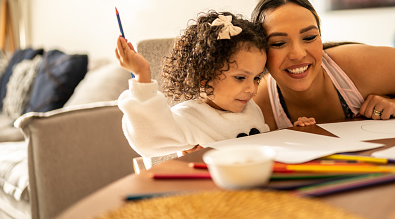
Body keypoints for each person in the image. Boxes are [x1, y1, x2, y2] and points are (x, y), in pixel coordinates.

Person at [115, 10, 312, 158]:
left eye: (256, 78)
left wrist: (294, 134)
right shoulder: (190, 117)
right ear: (204, 74)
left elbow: (263, 150)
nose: (252, 89)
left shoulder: (250, 109)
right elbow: (150, 137)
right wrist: (142, 76)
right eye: (240, 78)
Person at [251, 0, 395, 130]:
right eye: (278, 43)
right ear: (261, 50)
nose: (298, 54)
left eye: (309, 38)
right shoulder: (258, 102)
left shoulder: (357, 66)